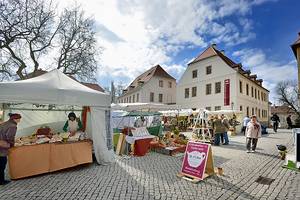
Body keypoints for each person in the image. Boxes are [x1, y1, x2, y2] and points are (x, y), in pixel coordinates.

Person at [0, 113, 22, 185]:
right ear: (15, 119)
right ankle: (1, 181)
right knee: (2, 163)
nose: (19, 120)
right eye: (19, 119)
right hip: (2, 146)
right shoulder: (13, 126)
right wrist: (12, 144)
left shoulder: (4, 123)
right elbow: (9, 137)